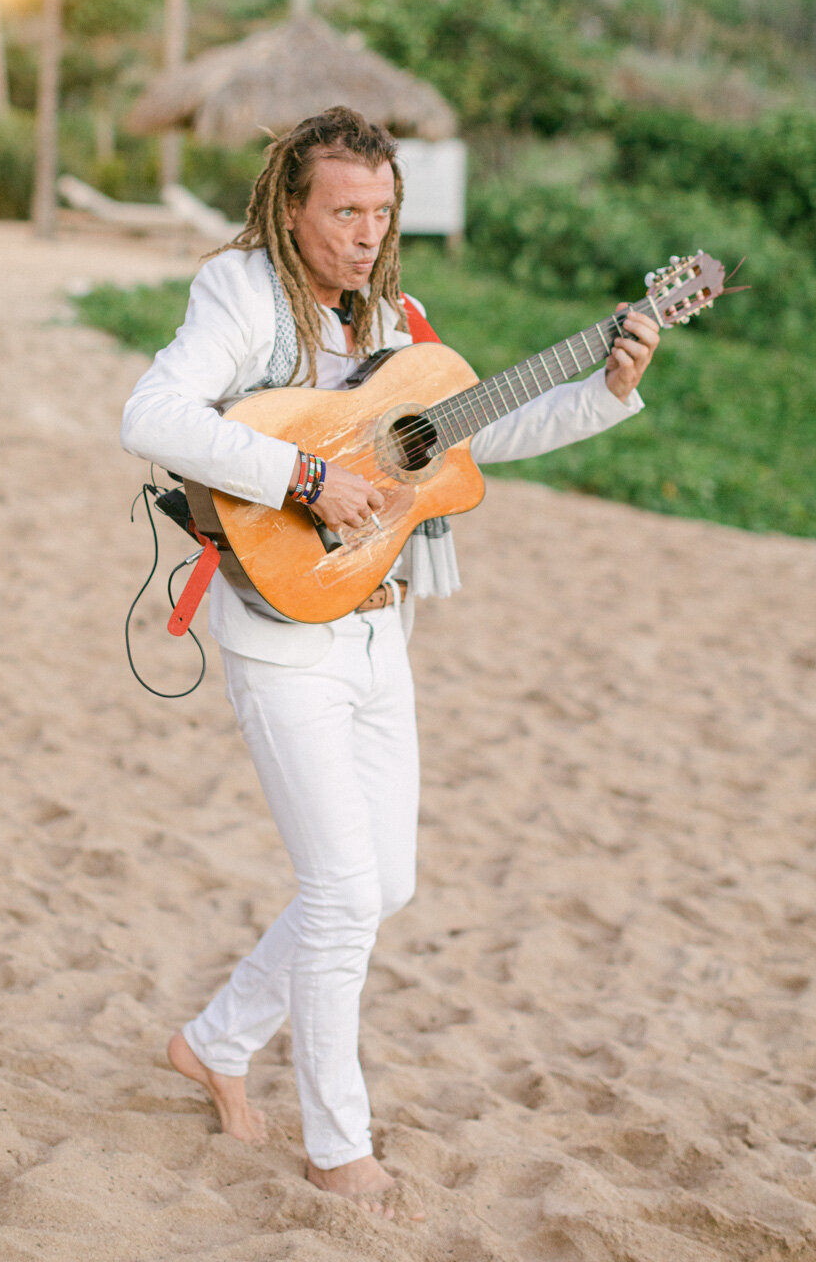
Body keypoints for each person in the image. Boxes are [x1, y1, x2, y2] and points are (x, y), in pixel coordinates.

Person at [120, 104, 658, 1219]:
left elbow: (472, 435)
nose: (364, 234)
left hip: (379, 624)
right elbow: (152, 412)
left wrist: (602, 391)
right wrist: (306, 482)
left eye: (379, 211)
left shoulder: (396, 320)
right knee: (338, 891)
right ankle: (336, 1146)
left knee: (386, 884)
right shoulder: (240, 294)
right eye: (343, 212)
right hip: (280, 627)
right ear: (291, 204)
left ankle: (216, 1040)